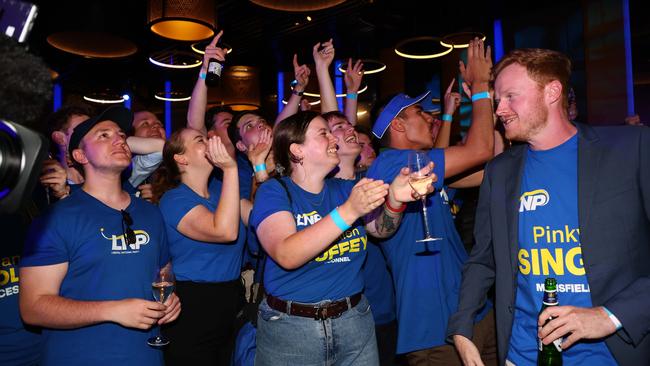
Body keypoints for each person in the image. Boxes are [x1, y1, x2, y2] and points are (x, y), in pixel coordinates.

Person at [447, 48, 650, 365]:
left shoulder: (631, 149)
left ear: (552, 91)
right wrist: (461, 328)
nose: (500, 109)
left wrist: (611, 315)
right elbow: (483, 259)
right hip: (522, 354)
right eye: (497, 99)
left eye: (510, 96)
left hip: (610, 353)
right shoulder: (500, 173)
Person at [250, 111, 428, 365]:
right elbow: (286, 254)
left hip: (354, 321)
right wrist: (349, 211)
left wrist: (396, 201)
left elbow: (381, 229)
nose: (333, 138)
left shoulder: (345, 190)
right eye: (323, 133)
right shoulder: (274, 191)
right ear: (297, 150)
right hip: (291, 328)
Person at [366, 38, 497, 365]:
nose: (430, 117)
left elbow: (491, 165)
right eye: (419, 112)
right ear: (397, 125)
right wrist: (480, 87)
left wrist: (487, 102)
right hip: (433, 330)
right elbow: (479, 151)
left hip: (474, 314)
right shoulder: (391, 165)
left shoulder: (422, 168)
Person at [19, 106, 181, 365]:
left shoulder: (150, 213)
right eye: (103, 135)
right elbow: (33, 307)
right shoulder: (55, 219)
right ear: (79, 155)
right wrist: (112, 310)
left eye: (120, 134)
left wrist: (171, 299)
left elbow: (163, 271)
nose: (119, 139)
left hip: (146, 356)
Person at [155, 128, 245, 365]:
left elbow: (260, 218)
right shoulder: (174, 199)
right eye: (200, 140)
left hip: (231, 298)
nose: (211, 142)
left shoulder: (220, 191)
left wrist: (258, 165)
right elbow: (224, 231)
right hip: (194, 304)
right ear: (181, 158)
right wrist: (230, 168)